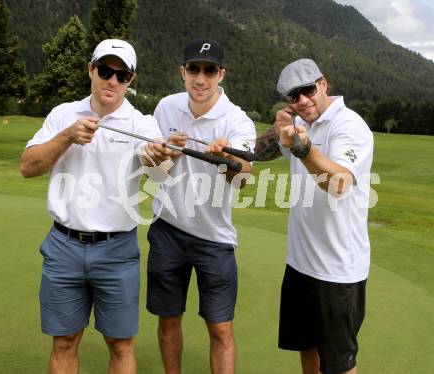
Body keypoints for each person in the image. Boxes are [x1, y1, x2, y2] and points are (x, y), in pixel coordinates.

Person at [20, 39, 163, 374]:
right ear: (91, 70)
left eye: (121, 75)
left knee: (121, 344)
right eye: (105, 70)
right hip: (63, 246)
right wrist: (66, 136)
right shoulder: (63, 115)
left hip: (117, 250)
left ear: (131, 80)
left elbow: (160, 170)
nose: (112, 81)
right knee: (65, 340)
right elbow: (28, 167)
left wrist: (158, 157)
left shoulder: (141, 124)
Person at [141, 37, 256, 374]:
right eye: (194, 69)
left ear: (221, 74)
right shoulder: (166, 108)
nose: (200, 79)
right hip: (168, 231)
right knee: (168, 318)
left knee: (220, 328)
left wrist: (225, 159)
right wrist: (163, 155)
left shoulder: (237, 121)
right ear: (183, 72)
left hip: (215, 238)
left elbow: (242, 177)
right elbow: (155, 175)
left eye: (209, 71)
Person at [258, 58, 373, 374]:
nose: (303, 100)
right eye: (294, 96)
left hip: (337, 270)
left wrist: (303, 149)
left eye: (308, 90)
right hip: (300, 264)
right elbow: (259, 152)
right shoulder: (299, 124)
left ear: (323, 84)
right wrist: (278, 128)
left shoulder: (349, 125)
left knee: (339, 364)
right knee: (306, 349)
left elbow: (338, 183)